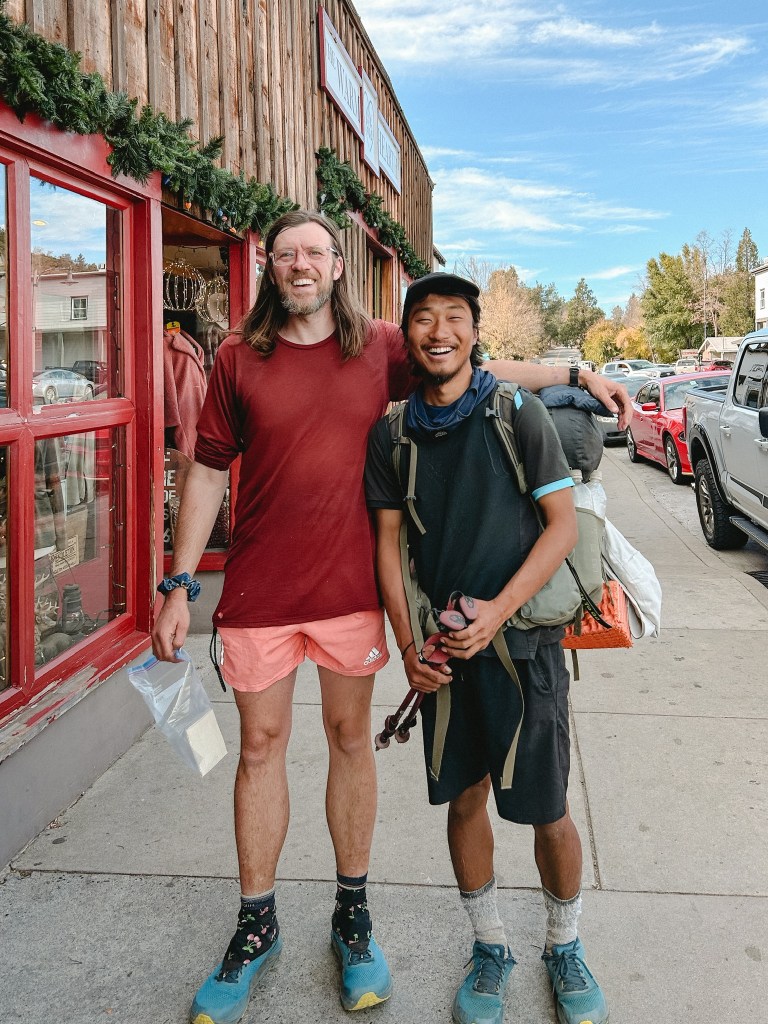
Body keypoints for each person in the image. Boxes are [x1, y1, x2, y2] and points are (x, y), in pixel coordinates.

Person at [151, 212, 627, 1024]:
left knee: (350, 743)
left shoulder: (377, 346)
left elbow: (470, 358)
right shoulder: (236, 356)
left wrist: (575, 373)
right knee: (258, 748)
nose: (301, 264)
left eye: (315, 251)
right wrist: (178, 581)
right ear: (271, 266)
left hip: (348, 593)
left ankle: (353, 917)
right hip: (260, 592)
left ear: (338, 265)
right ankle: (256, 924)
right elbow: (206, 471)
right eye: (286, 253)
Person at [364, 272, 609, 1024]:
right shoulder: (392, 434)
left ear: (474, 332)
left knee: (546, 807)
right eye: (423, 318)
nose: (439, 331)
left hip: (524, 648)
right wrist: (410, 646)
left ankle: (564, 944)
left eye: (454, 317)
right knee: (465, 797)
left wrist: (498, 613)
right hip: (444, 653)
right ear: (408, 335)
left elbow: (562, 526)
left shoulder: (516, 413)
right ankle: (490, 944)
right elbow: (387, 545)